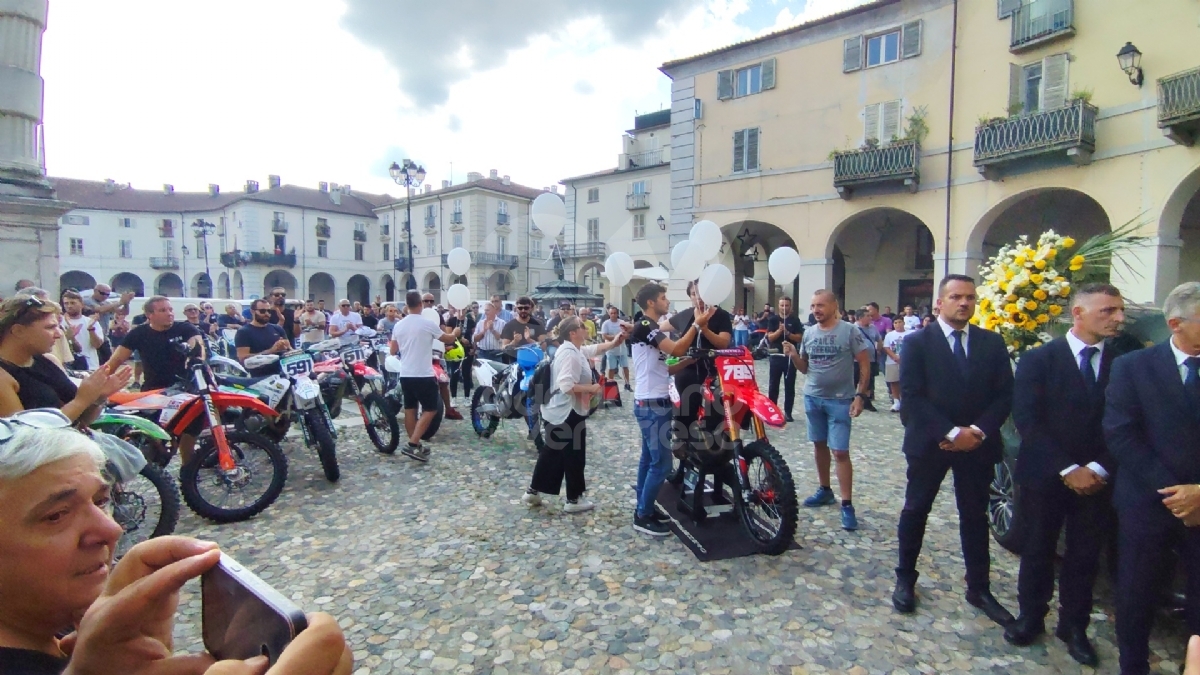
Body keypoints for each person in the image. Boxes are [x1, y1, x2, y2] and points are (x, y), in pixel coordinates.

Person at [1002, 284, 1126, 667]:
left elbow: (1128, 421)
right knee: (1038, 548)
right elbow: (1028, 419)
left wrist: (1099, 466)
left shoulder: (1126, 360)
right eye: (1107, 311)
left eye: (1119, 311)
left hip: (1101, 475)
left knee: (1085, 555)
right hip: (1047, 473)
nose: (1118, 318)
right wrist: (1068, 468)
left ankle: (1074, 625)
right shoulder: (1041, 359)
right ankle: (1031, 615)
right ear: (1078, 313)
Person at [891, 274, 1014, 627]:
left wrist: (976, 431)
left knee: (975, 516)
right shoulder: (917, 342)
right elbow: (912, 395)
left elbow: (1004, 394)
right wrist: (948, 432)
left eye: (970, 298)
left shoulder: (991, 343)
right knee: (916, 510)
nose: (964, 303)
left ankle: (979, 587)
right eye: (957, 297)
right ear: (939, 303)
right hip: (931, 443)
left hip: (977, 445)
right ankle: (905, 577)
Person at [1104, 281, 1200, 675]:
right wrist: (1176, 492)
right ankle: (1133, 664)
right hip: (1148, 501)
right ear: (1176, 323)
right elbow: (1120, 434)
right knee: (1137, 592)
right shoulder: (1133, 367)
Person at [780, 291, 870, 531]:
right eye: (812, 305)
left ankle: (847, 504)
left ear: (834, 306)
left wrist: (860, 395)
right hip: (813, 398)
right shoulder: (809, 333)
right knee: (819, 444)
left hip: (840, 400)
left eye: (820, 305)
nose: (816, 309)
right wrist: (794, 354)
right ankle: (824, 489)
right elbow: (804, 368)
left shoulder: (849, 331)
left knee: (840, 451)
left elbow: (864, 362)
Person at [628, 282, 710, 538]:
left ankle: (645, 506)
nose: (667, 301)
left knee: (648, 460)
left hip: (655, 401)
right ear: (651, 303)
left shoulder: (649, 328)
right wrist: (697, 324)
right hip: (651, 404)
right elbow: (675, 348)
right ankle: (643, 515)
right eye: (663, 298)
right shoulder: (645, 326)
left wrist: (692, 359)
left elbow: (667, 366)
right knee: (662, 465)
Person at [522, 316, 625, 513]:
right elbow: (566, 386)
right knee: (574, 456)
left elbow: (593, 349)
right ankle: (573, 500)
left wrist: (613, 342)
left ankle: (533, 491)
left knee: (552, 452)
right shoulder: (569, 353)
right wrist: (592, 387)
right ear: (572, 333)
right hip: (567, 412)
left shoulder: (573, 348)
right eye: (581, 326)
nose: (585, 328)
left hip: (560, 411)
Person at [0, 297, 132, 422]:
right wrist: (81, 401)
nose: (58, 334)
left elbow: (81, 420)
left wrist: (98, 397)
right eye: (50, 327)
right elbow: (21, 437)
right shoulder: (3, 377)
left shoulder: (49, 361)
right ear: (18, 331)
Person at [106, 297, 205, 462]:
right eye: (163, 310)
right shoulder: (139, 333)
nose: (169, 314)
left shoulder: (184, 328)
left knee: (190, 430)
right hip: (154, 391)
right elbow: (116, 360)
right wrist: (101, 380)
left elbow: (197, 346)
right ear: (149, 314)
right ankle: (156, 469)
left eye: (170, 309)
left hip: (185, 389)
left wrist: (197, 358)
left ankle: (187, 470)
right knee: (156, 439)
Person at [389, 291, 460, 461]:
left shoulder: (399, 325)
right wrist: (456, 332)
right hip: (423, 373)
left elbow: (392, 350)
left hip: (406, 373)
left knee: (410, 409)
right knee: (431, 409)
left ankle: (416, 444)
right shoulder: (427, 323)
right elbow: (447, 339)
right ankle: (413, 444)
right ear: (420, 304)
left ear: (406, 305)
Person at [670, 280, 733, 452]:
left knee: (719, 406)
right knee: (689, 395)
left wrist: (704, 329)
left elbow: (723, 343)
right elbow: (660, 327)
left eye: (702, 293)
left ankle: (716, 445)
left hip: (714, 369)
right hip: (688, 367)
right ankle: (681, 438)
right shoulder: (685, 315)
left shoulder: (721, 315)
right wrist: (636, 327)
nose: (698, 298)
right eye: (693, 294)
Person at [766, 296, 804, 422]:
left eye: (786, 305)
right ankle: (772, 410)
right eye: (782, 305)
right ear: (778, 306)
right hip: (776, 356)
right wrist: (779, 331)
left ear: (790, 307)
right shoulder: (773, 319)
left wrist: (788, 333)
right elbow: (770, 337)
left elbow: (799, 338)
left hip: (790, 358)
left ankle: (788, 412)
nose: (784, 307)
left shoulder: (795, 320)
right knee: (773, 385)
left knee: (790, 385)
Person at [235, 299, 290, 378]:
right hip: (259, 378)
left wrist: (286, 348)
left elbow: (290, 349)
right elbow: (243, 359)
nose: (266, 314)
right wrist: (271, 351)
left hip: (282, 374)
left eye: (269, 311)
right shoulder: (244, 332)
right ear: (253, 311)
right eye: (262, 311)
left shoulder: (277, 328)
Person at [60, 291, 104, 371]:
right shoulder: (59, 322)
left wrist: (91, 329)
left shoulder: (91, 322)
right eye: (66, 303)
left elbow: (97, 345)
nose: (69, 306)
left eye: (73, 303)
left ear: (82, 304)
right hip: (67, 366)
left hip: (90, 365)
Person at [852, 308, 881, 413]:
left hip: (871, 359)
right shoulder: (853, 328)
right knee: (854, 379)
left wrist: (878, 350)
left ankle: (866, 401)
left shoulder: (873, 328)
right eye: (867, 316)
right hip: (856, 360)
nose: (870, 318)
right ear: (860, 318)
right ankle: (852, 399)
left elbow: (879, 339)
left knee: (869, 380)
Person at [600, 307, 631, 391]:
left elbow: (627, 334)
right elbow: (604, 336)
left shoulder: (622, 323)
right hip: (611, 350)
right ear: (609, 314)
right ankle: (611, 384)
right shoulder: (606, 324)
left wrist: (623, 337)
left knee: (625, 367)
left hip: (622, 348)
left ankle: (627, 383)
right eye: (611, 313)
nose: (613, 315)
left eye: (615, 313)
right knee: (611, 368)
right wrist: (616, 337)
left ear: (617, 314)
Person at [882, 316, 908, 412]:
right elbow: (886, 347)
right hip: (892, 361)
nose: (897, 324)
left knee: (905, 382)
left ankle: (905, 401)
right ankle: (896, 401)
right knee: (894, 381)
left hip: (906, 361)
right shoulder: (890, 335)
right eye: (895, 323)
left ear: (903, 323)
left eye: (899, 322)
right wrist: (894, 356)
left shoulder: (910, 333)